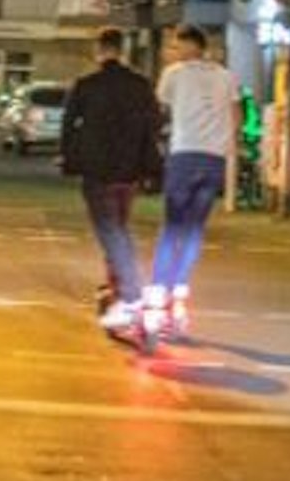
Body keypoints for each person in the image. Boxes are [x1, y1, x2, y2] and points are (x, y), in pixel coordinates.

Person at [60, 28, 162, 335]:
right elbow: (153, 127)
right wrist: (149, 167)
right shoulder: (141, 86)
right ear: (123, 50)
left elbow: (69, 126)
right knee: (118, 227)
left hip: (98, 170)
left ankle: (131, 295)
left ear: (99, 51)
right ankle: (116, 287)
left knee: (110, 231)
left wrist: (69, 158)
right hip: (129, 171)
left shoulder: (87, 86)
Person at [147, 22, 240, 337]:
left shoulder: (174, 74)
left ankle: (159, 293)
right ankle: (179, 294)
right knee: (194, 229)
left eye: (177, 45)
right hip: (213, 158)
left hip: (184, 154)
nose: (174, 51)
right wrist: (229, 149)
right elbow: (236, 116)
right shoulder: (226, 76)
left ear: (190, 45)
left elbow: (162, 107)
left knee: (173, 226)